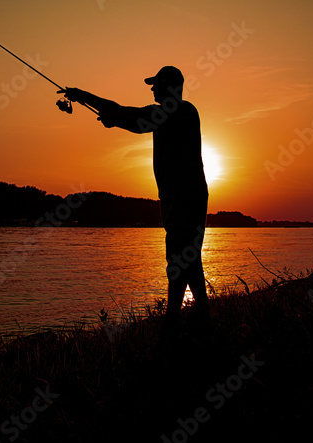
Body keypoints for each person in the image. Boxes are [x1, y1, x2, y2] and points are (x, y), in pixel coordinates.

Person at [59, 65, 210, 327]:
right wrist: (116, 119)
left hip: (183, 199)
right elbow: (133, 119)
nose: (152, 89)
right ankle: (203, 320)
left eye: (156, 84)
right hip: (181, 197)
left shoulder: (180, 110)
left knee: (177, 260)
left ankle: (172, 325)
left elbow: (132, 117)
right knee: (190, 261)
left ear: (170, 86)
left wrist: (83, 95)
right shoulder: (174, 114)